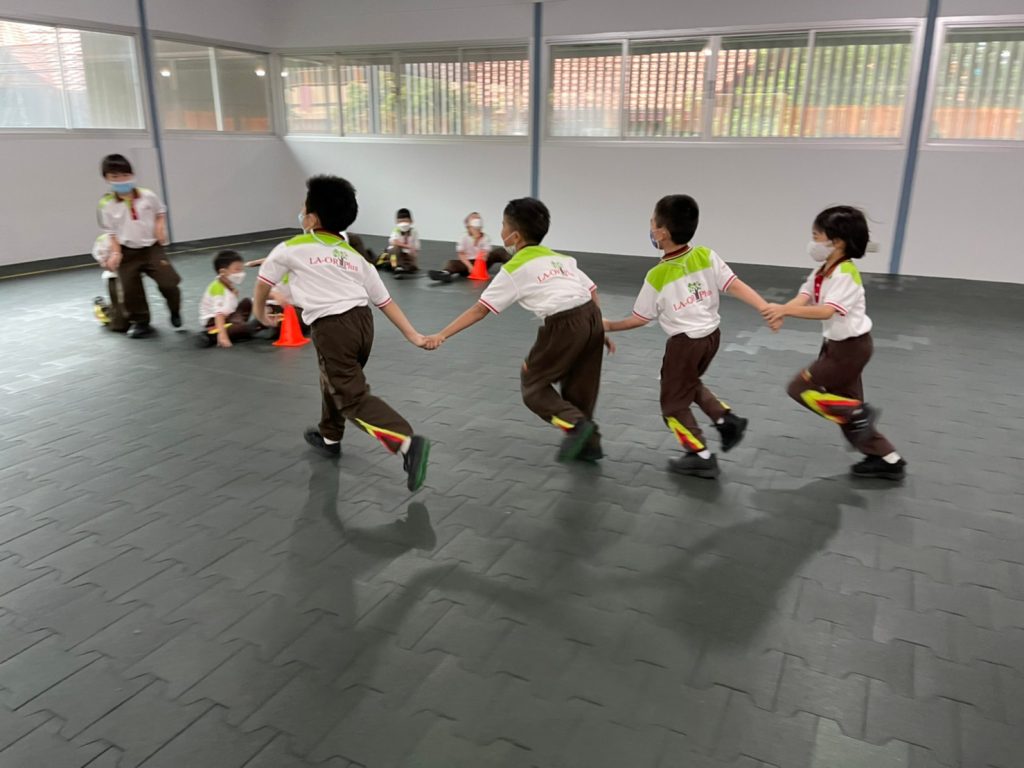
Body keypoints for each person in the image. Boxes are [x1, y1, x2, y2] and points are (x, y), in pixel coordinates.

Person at [253, 175, 432, 492]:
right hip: (363, 325)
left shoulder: (290, 248)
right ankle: (329, 436)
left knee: (350, 396)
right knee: (334, 379)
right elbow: (385, 301)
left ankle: (406, 442)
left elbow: (263, 284)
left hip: (333, 328)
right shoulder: (353, 256)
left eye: (304, 208)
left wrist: (259, 313)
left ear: (312, 218)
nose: (301, 213)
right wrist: (413, 335)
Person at [425, 197, 611, 463]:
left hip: (563, 323)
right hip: (591, 316)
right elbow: (591, 290)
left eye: (503, 225)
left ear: (515, 235)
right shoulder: (560, 258)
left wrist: (441, 334)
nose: (501, 230)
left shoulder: (514, 268)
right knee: (581, 386)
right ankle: (589, 444)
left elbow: (480, 310)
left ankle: (577, 426)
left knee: (533, 385)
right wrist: (598, 329)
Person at [603, 195, 769, 479]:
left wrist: (608, 325)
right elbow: (734, 285)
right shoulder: (706, 255)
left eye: (652, 222)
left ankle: (699, 455)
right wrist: (764, 306)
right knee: (687, 382)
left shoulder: (657, 276)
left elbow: (639, 319)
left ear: (661, 233)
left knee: (672, 404)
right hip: (711, 337)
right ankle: (726, 420)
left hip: (684, 344)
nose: (650, 227)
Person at [761, 206, 906, 480]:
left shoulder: (845, 274)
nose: (812, 243)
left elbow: (826, 311)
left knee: (800, 389)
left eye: (816, 236)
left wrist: (784, 310)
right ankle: (889, 459)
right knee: (847, 411)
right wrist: (782, 312)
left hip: (850, 350)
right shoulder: (823, 270)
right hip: (837, 347)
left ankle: (858, 413)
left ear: (837, 242)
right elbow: (804, 296)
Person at [96, 153, 180, 338]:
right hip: (127, 251)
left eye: (125, 175)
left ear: (132, 175)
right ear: (107, 178)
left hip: (152, 248)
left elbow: (160, 212)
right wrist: (115, 253)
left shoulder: (147, 196)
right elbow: (111, 232)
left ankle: (175, 310)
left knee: (169, 282)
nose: (121, 180)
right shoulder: (106, 204)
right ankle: (141, 322)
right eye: (115, 176)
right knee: (130, 290)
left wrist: (159, 228)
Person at [196, 250, 260, 348]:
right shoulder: (218, 289)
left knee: (247, 302)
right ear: (223, 272)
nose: (241, 273)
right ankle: (212, 335)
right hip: (214, 322)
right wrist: (223, 336)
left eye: (241, 269)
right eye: (237, 269)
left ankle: (237, 326)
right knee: (246, 328)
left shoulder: (227, 284)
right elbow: (219, 315)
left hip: (228, 316)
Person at [428, 211, 509, 283]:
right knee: (451, 263)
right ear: (468, 225)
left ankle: (511, 266)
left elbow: (485, 253)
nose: (477, 220)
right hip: (468, 263)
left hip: (482, 263)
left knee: (500, 251)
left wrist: (481, 261)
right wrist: (470, 267)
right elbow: (461, 254)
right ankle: (445, 274)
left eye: (478, 218)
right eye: (474, 218)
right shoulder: (463, 238)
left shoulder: (485, 238)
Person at [90, 233, 129, 333]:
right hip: (113, 276)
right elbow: (103, 262)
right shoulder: (103, 240)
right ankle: (102, 308)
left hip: (130, 274)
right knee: (120, 324)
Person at [383, 208, 420, 275]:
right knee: (395, 249)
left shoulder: (414, 232)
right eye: (401, 222)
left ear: (411, 221)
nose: (403, 224)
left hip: (407, 254)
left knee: (410, 268)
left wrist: (413, 254)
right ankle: (395, 267)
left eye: (405, 221)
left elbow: (416, 246)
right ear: (397, 222)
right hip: (395, 253)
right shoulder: (396, 230)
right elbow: (394, 241)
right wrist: (407, 246)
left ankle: (402, 266)